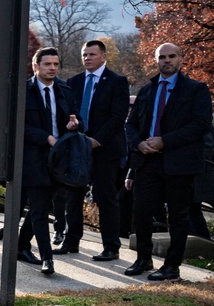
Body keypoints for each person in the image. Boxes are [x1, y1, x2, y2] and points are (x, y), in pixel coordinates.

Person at [124, 43, 212, 282]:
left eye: (171, 56)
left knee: (178, 215)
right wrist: (138, 144)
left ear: (181, 59)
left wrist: (165, 141)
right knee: (141, 212)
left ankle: (172, 266)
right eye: (161, 57)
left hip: (179, 162)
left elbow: (201, 124)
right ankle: (143, 258)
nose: (166, 60)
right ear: (156, 60)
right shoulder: (146, 91)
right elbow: (130, 125)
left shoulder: (196, 89)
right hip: (147, 160)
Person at [56, 40, 130, 261]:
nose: (87, 58)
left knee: (105, 197)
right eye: (84, 54)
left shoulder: (117, 82)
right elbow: (69, 112)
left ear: (103, 56)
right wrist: (72, 128)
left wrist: (97, 141)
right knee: (73, 196)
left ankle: (111, 246)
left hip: (104, 150)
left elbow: (118, 117)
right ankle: (71, 241)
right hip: (78, 149)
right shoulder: (74, 82)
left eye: (91, 54)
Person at [17, 47, 79, 276]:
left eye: (55, 64)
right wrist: (46, 137)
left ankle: (22, 246)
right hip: (33, 157)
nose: (52, 68)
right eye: (47, 64)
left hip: (59, 159)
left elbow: (74, 118)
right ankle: (47, 258)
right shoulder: (24, 90)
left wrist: (73, 125)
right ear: (36, 66)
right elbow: (19, 125)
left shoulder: (64, 90)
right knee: (40, 210)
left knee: (39, 207)